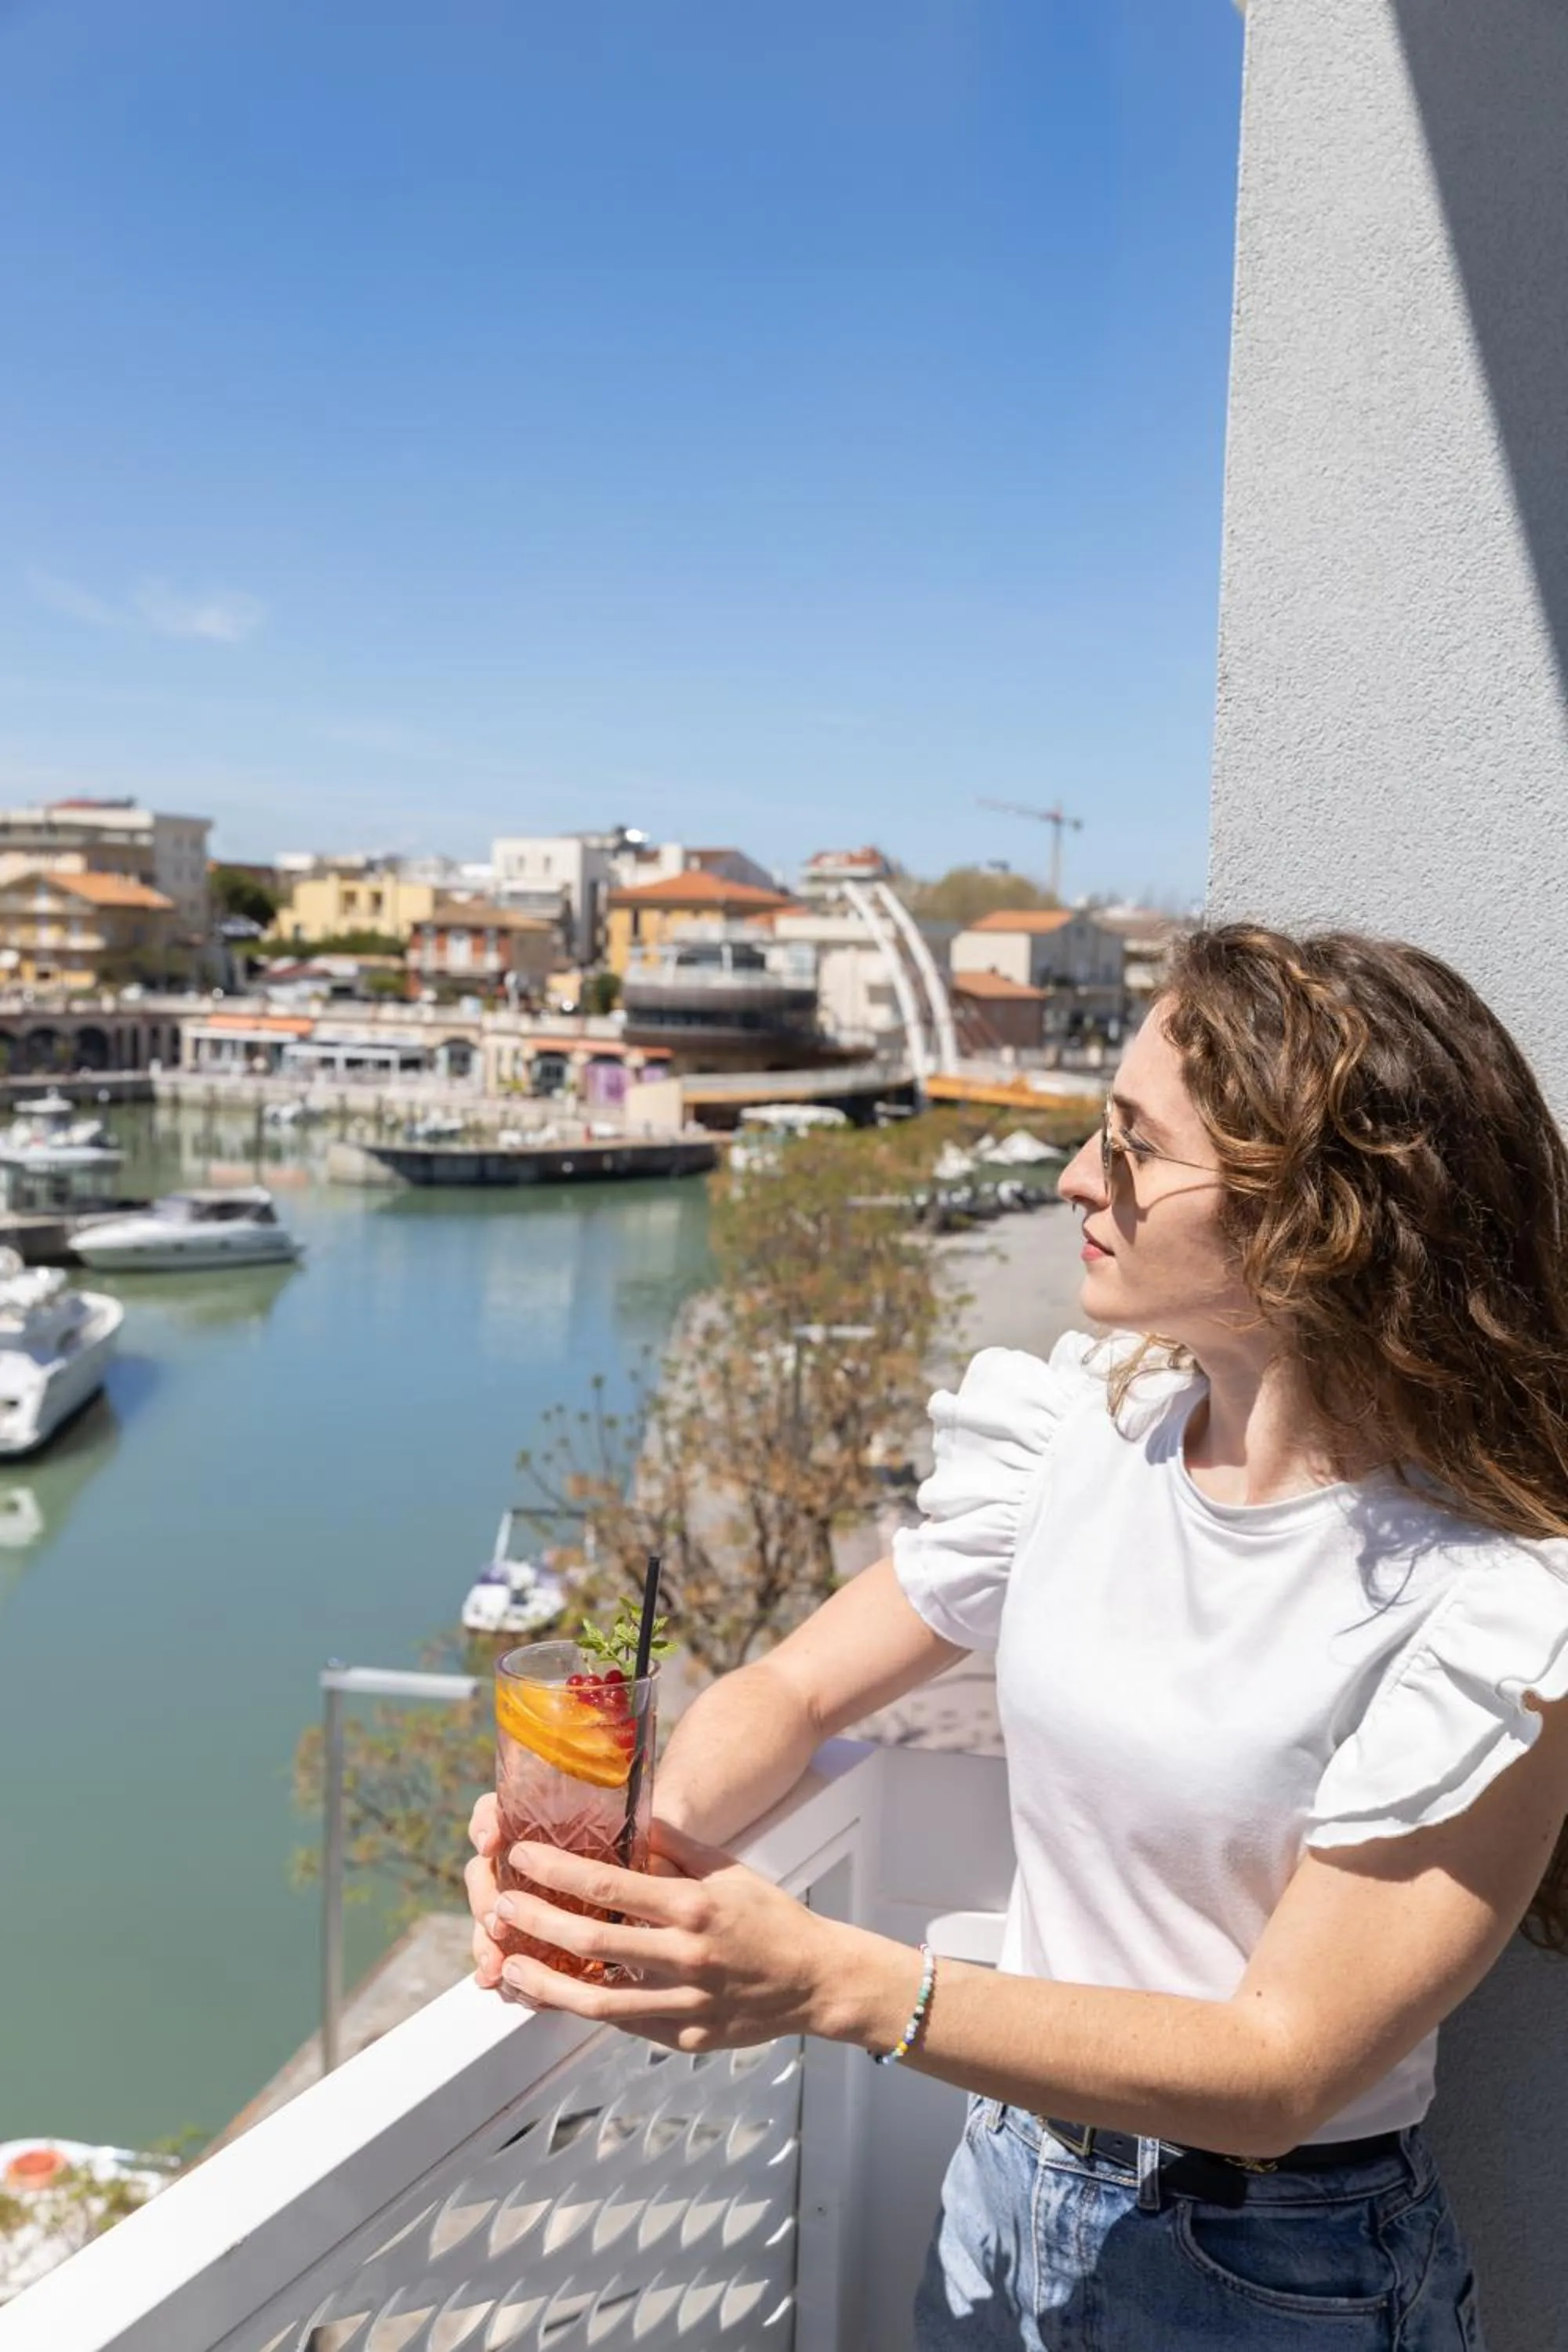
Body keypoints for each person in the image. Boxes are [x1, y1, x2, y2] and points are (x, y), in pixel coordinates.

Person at [466, 925, 1568, 2350]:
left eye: (1129, 1148)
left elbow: (1279, 2066)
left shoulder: (1494, 1608)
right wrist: (618, 1868)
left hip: (1273, 2272)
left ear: (1321, 1212)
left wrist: (831, 1980)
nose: (1071, 1180)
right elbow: (797, 1690)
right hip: (1003, 2180)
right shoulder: (1080, 1437)